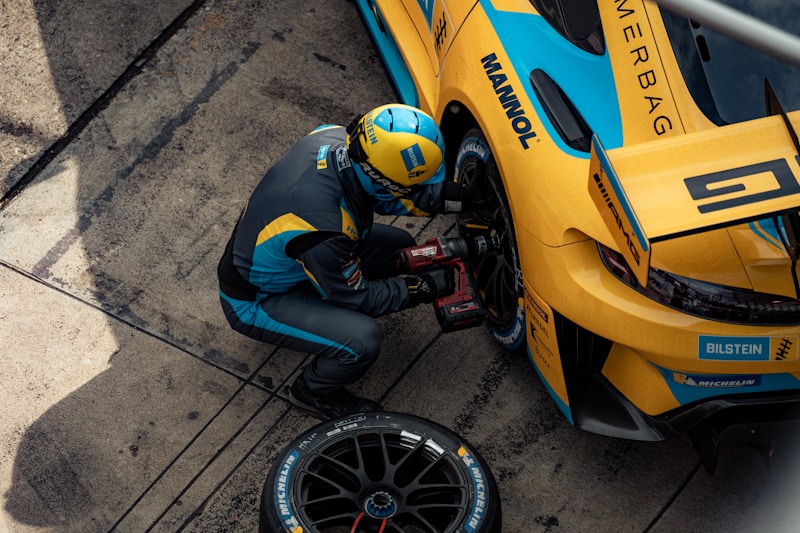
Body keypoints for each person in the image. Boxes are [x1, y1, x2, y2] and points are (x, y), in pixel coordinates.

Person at [218, 103, 469, 419]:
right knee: (362, 340)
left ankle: (319, 292)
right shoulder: (327, 229)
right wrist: (420, 287)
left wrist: (453, 197)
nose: (418, 191)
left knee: (400, 247)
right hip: (255, 300)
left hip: (298, 254)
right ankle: (313, 392)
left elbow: (383, 191)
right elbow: (355, 298)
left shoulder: (335, 137)